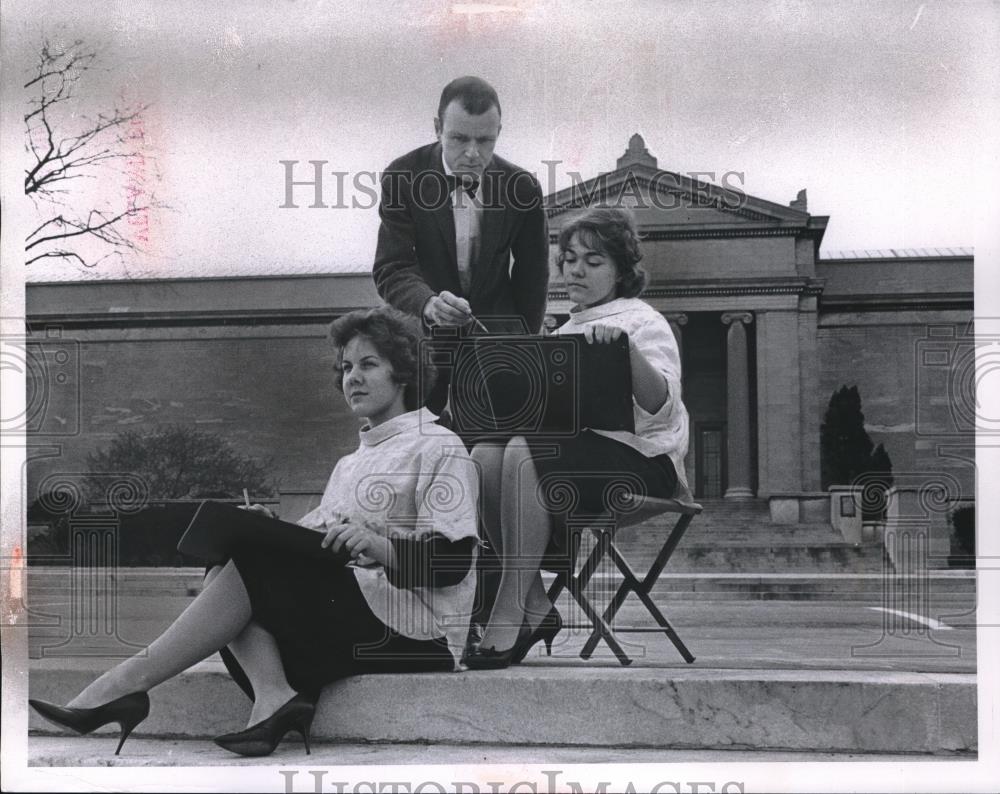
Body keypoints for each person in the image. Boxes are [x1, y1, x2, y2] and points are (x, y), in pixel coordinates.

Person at [29, 307, 480, 757]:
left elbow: (454, 562)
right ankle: (273, 695)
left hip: (421, 634)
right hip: (359, 620)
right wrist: (271, 530)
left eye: (368, 364)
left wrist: (382, 547)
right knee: (229, 551)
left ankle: (125, 683)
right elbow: (316, 547)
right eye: (345, 368)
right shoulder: (351, 462)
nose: (352, 378)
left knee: (249, 560)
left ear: (402, 372)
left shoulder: (440, 446)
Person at [463, 207, 691, 669]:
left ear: (622, 270)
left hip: (643, 464)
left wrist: (625, 351)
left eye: (593, 260)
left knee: (526, 452)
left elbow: (661, 407)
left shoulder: (643, 321)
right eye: (569, 259)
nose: (576, 270)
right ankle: (535, 604)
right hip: (570, 461)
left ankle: (512, 612)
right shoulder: (564, 329)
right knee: (484, 454)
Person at [372, 75, 550, 416]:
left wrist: (523, 348)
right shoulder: (402, 177)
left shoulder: (523, 187)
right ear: (437, 127)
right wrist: (428, 305)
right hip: (420, 347)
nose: (472, 153)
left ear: (500, 132)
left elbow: (533, 278)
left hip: (495, 348)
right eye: (459, 138)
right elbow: (391, 267)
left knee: (491, 457)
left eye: (485, 140)